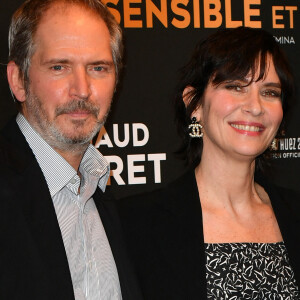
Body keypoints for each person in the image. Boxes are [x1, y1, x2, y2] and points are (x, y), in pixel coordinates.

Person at [117, 27, 300, 299]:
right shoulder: (137, 225)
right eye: (235, 86)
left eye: (270, 92)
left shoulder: (295, 213)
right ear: (195, 104)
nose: (255, 106)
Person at [0, 0, 142, 299]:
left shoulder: (103, 196)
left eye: (98, 68)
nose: (82, 88)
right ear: (18, 80)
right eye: (59, 67)